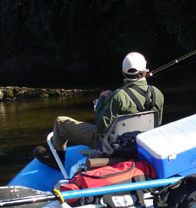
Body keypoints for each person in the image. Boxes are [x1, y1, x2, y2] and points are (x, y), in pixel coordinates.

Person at [34, 52, 164, 169]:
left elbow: (100, 127)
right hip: (140, 143)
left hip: (112, 144)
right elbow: (157, 124)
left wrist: (102, 101)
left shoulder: (118, 96)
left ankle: (57, 160)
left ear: (123, 73)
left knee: (60, 122)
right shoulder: (157, 93)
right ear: (145, 73)